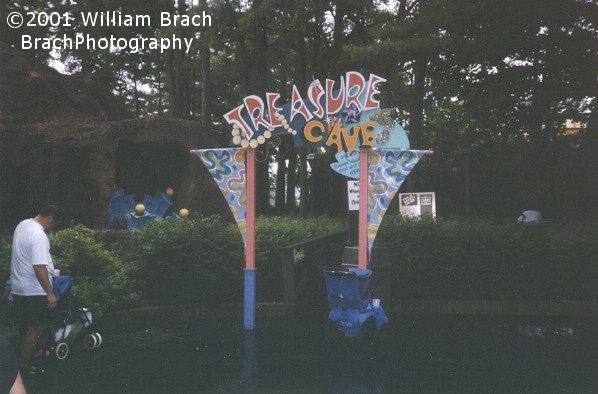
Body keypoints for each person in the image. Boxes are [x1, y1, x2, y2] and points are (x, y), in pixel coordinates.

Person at [9, 205, 64, 375]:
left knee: (26, 327)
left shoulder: (23, 224)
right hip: (34, 290)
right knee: (36, 327)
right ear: (51, 219)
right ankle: (24, 367)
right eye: (55, 224)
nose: (53, 227)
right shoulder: (39, 235)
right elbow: (39, 266)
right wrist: (50, 293)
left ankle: (28, 356)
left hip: (19, 288)